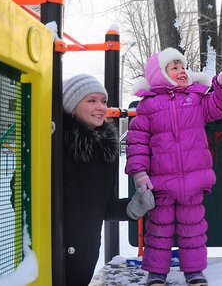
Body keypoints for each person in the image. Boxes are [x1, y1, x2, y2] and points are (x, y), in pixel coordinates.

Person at [125, 48, 222, 286]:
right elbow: (137, 142)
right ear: (160, 75)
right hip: (161, 182)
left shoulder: (196, 98)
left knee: (193, 229)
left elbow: (219, 106)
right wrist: (139, 174)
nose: (181, 71)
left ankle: (194, 271)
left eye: (183, 67)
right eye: (174, 68)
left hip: (193, 179)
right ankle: (156, 273)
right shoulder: (148, 106)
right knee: (159, 229)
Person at [62, 74, 155, 285]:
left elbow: (104, 206)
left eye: (103, 101)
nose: (101, 107)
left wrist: (131, 209)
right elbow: (21, 191)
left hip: (86, 250)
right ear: (72, 106)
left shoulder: (104, 151)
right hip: (51, 248)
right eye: (91, 100)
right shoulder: (55, 143)